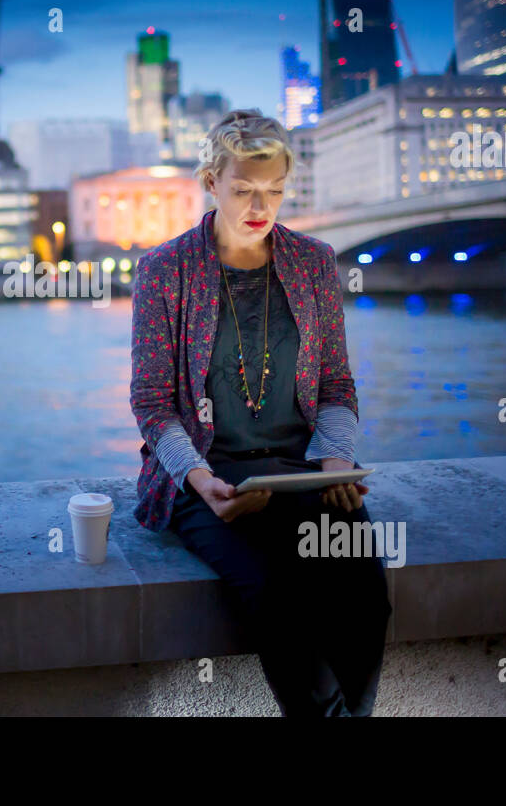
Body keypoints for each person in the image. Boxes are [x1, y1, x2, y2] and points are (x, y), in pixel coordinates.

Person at [129, 108, 392, 716]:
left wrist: (336, 463)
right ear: (211, 181)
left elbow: (335, 385)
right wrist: (201, 480)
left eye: (274, 190)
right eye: (244, 188)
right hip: (207, 477)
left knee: (362, 589)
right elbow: (151, 405)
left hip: (301, 471)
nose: (260, 205)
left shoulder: (313, 262)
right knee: (276, 593)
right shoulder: (165, 271)